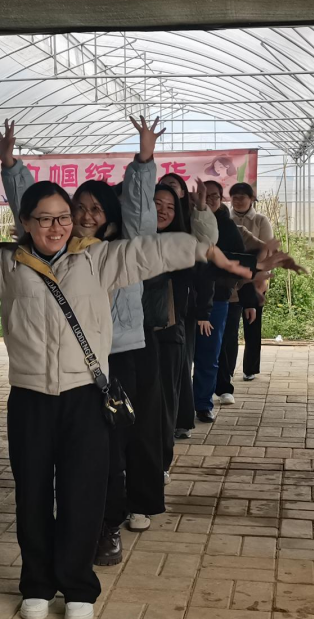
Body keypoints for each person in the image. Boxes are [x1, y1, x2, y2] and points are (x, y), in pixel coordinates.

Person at [0, 156, 262, 619]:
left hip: (86, 397)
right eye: (44, 219)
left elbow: (151, 252)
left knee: (83, 493)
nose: (57, 227)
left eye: (63, 217)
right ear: (26, 222)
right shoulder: (8, 266)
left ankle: (78, 585)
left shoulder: (96, 260)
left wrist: (207, 252)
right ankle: (37, 585)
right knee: (33, 495)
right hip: (30, 400)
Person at [1, 117, 165, 568]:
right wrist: (12, 166)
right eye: (80, 208)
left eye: (96, 209)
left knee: (114, 449)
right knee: (82, 455)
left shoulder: (123, 248)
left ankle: (107, 526)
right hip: (70, 368)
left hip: (121, 356)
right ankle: (77, 531)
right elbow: (31, 208)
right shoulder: (59, 250)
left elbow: (140, 210)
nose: (87, 216)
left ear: (110, 214)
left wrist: (144, 159)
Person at [144, 181, 218, 477]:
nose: (163, 211)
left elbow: (205, 250)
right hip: (127, 333)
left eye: (170, 207)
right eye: (156, 205)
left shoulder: (182, 242)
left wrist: (200, 211)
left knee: (164, 400)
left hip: (168, 328)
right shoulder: (128, 240)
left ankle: (160, 463)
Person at [189, 180, 249, 424]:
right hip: (186, 297)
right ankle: (182, 406)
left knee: (209, 352)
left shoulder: (227, 225)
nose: (210, 200)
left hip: (218, 299)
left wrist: (220, 279)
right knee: (184, 355)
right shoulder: (186, 222)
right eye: (205, 196)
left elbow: (241, 261)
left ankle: (203, 403)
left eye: (214, 196)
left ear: (221, 198)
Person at [217, 182, 274, 399]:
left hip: (254, 280)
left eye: (243, 197)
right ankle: (226, 373)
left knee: (252, 325)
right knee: (230, 330)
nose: (238, 201)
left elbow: (266, 249)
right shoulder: (225, 218)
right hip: (231, 281)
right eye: (235, 197)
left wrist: (261, 276)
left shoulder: (260, 220)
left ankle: (250, 367)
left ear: (251, 199)